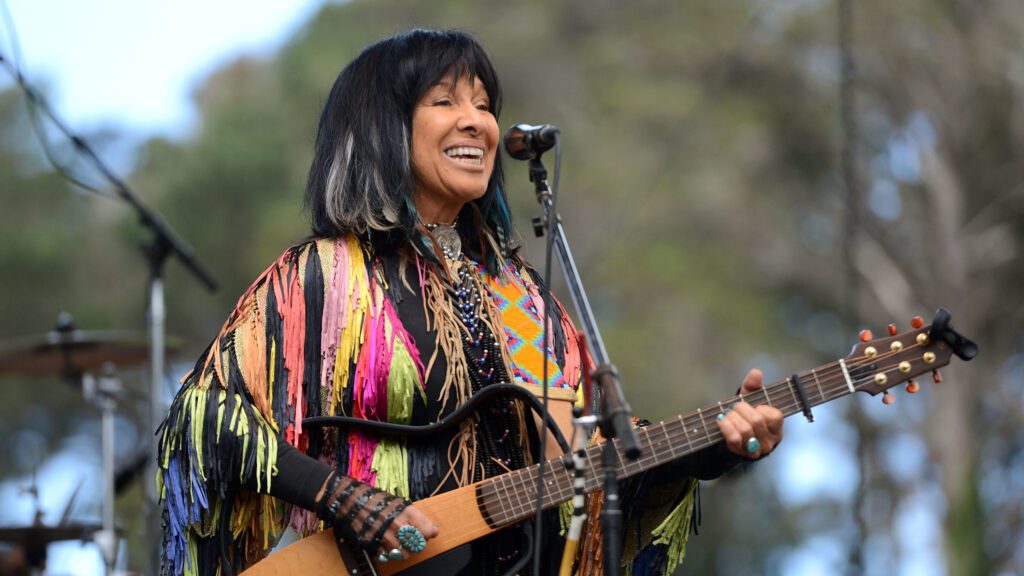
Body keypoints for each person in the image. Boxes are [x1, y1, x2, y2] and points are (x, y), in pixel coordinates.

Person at [156, 28, 784, 576]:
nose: (477, 122)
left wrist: (718, 444)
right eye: (446, 101)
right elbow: (204, 419)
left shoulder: (519, 293)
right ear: (382, 127)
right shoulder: (322, 276)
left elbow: (587, 459)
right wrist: (342, 498)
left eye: (484, 105)